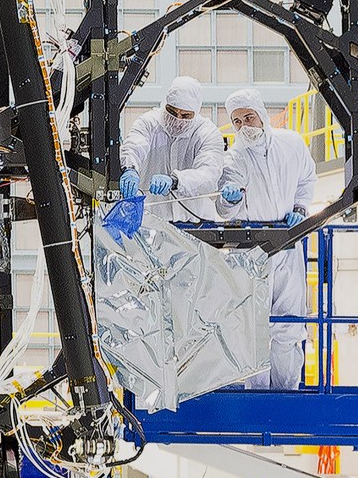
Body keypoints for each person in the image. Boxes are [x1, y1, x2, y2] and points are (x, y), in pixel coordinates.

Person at [216, 88, 316, 390]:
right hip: (252, 249)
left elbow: (306, 179)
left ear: (261, 113)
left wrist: (300, 208)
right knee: (252, 328)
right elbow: (222, 205)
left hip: (287, 244)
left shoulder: (291, 144)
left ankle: (286, 393)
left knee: (289, 324)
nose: (244, 126)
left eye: (248, 117)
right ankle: (256, 397)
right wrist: (229, 199)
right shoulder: (233, 157)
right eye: (236, 122)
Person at [119, 75, 224, 224]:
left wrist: (176, 181)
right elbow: (134, 145)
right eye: (172, 112)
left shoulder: (207, 133)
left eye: (186, 115)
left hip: (196, 223)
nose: (178, 119)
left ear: (196, 112)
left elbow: (208, 175)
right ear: (165, 104)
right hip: (153, 222)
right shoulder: (148, 123)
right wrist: (130, 168)